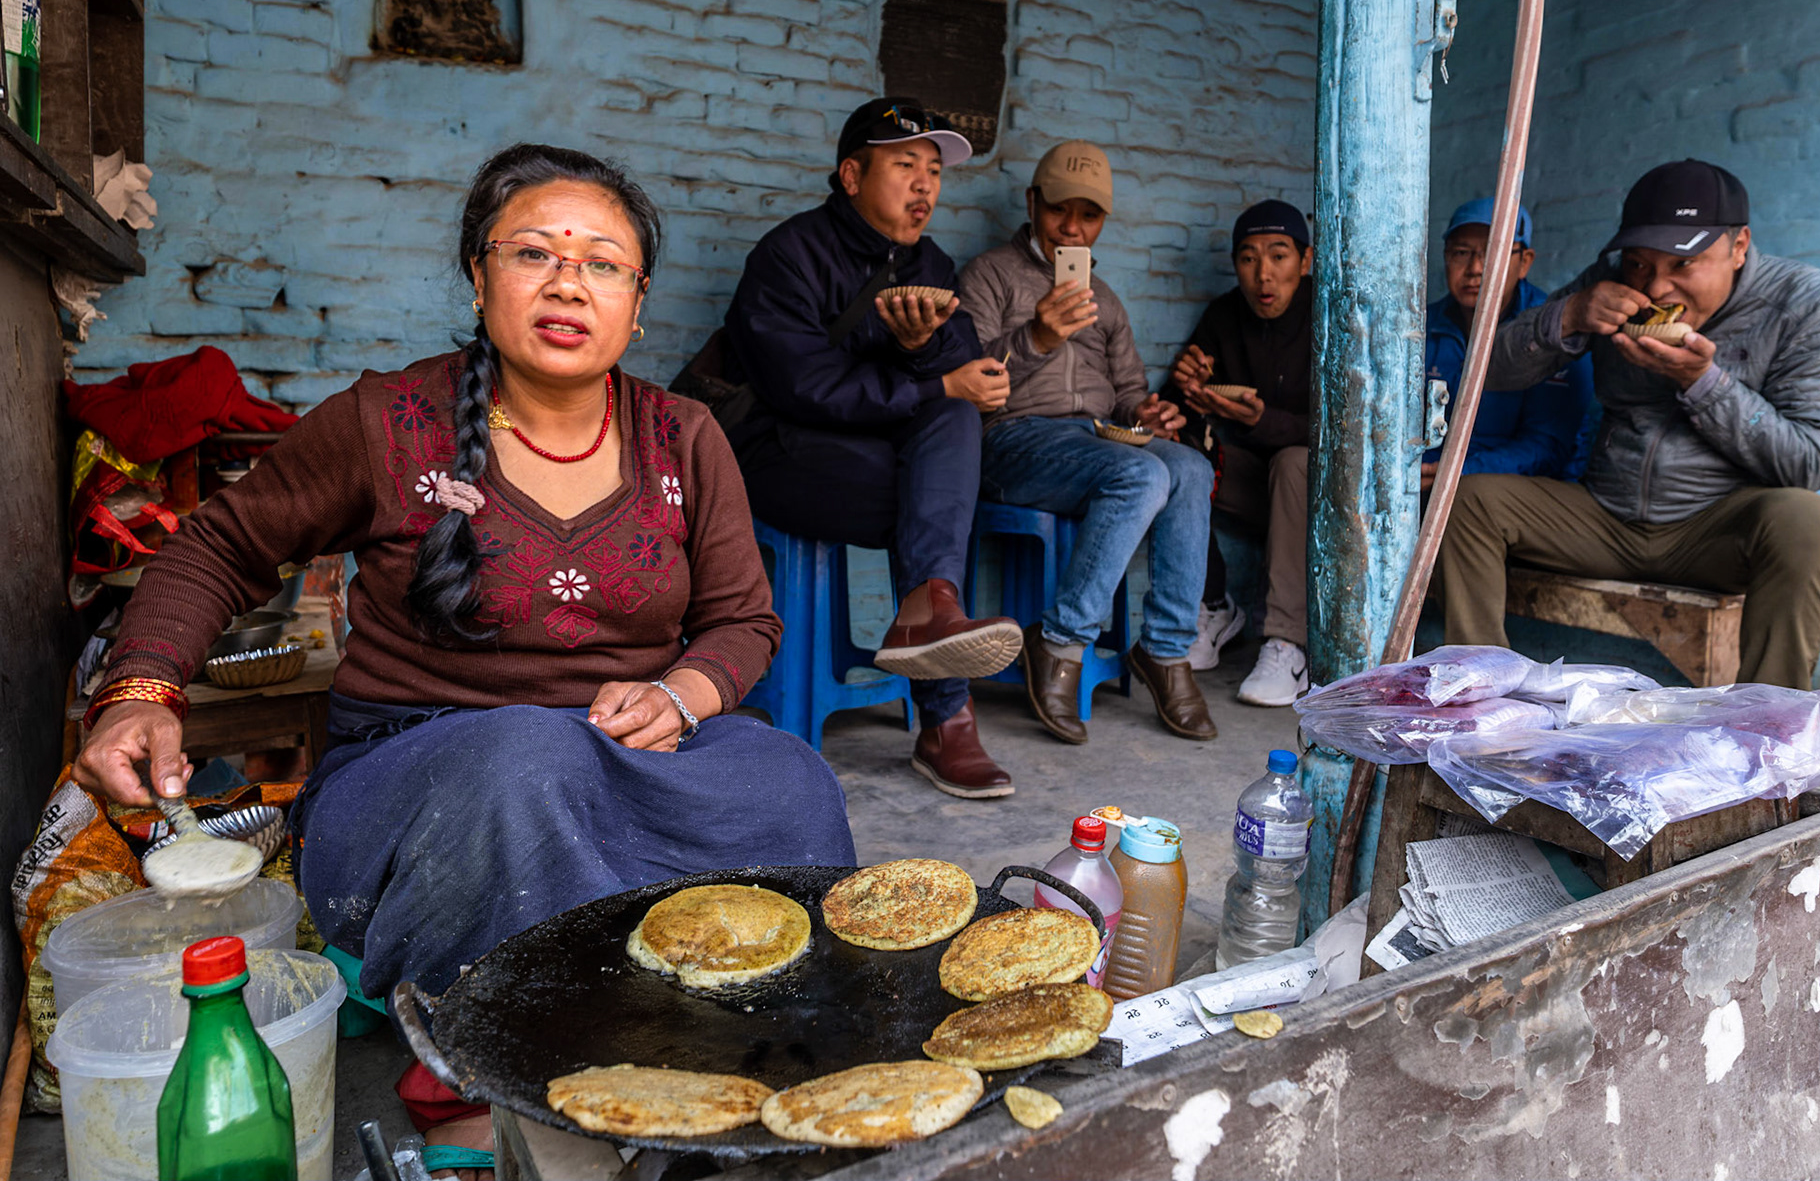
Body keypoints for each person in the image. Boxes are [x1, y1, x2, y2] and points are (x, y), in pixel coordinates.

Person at [72, 144, 857, 1170]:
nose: (570, 280)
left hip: (634, 751)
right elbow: (219, 543)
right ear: (480, 276)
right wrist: (139, 689)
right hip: (430, 770)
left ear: (639, 302)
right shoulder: (389, 422)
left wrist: (682, 690)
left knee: (792, 782)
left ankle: (750, 1050)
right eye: (534, 252)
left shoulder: (685, 435)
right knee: (526, 762)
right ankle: (535, 1068)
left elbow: (743, 620)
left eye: (604, 263)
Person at [1439, 159, 1820, 689]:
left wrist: (1702, 383)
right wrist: (1568, 316)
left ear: (1738, 247)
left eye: (1682, 265)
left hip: (1714, 531)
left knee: (1806, 518)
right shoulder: (1610, 282)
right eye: (1640, 264)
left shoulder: (1811, 306)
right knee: (1469, 500)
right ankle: (1484, 695)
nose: (1656, 287)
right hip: (1604, 517)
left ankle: (1766, 726)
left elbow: (1808, 461)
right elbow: (1493, 370)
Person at [721, 98, 1023, 798]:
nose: (925, 185)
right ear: (852, 175)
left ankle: (933, 607)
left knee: (953, 425)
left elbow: (962, 372)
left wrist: (923, 359)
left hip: (879, 459)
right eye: (905, 166)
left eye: (934, 170)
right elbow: (803, 386)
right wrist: (928, 378)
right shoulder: (789, 255)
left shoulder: (935, 266)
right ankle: (946, 709)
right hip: (780, 452)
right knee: (940, 493)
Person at [958, 141, 1215, 744]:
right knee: (1143, 475)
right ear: (1032, 204)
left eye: (1089, 216)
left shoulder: (1109, 301)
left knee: (1190, 467)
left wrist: (1146, 411)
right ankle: (1059, 643)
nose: (1072, 229)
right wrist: (1038, 336)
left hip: (1097, 442)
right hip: (1012, 440)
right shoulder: (989, 275)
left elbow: (1127, 394)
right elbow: (969, 383)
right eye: (1058, 211)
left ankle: (1166, 652)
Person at [1170, 200, 1314, 707]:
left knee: (1294, 461)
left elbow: (1348, 432)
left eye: (1278, 256)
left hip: (1322, 498)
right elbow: (1175, 405)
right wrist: (1185, 388)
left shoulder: (1331, 318)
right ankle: (1212, 606)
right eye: (1249, 258)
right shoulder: (1224, 314)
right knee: (1174, 452)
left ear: (1306, 260)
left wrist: (1260, 420)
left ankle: (1286, 644)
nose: (1263, 275)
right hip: (1256, 487)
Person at [1423, 198, 1594, 489]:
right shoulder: (1422, 326)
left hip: (1508, 493)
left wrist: (1458, 473)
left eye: (1494, 252)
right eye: (1461, 253)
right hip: (1425, 483)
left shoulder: (1552, 332)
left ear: (1524, 262)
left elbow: (1547, 447)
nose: (1475, 268)